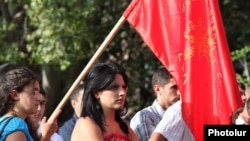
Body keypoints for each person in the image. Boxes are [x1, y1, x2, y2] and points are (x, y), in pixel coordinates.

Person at [71, 62, 139, 141]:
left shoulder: (125, 128)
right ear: (96, 93)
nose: (122, 92)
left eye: (123, 87)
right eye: (114, 87)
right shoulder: (86, 124)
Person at [0, 67, 61, 141]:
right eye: (34, 92)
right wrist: (46, 136)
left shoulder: (4, 121)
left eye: (38, 92)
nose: (38, 98)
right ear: (15, 95)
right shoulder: (16, 125)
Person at [129, 67, 180, 141]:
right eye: (174, 87)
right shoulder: (144, 117)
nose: (179, 92)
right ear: (158, 89)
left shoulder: (185, 116)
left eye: (181, 87)